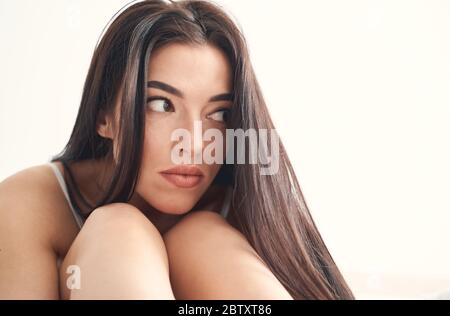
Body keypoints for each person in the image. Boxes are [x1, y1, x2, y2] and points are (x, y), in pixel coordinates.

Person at [0, 0, 354, 300]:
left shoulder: (248, 204)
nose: (195, 143)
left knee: (199, 236)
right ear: (103, 116)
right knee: (119, 229)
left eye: (218, 113)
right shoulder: (31, 204)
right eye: (162, 105)